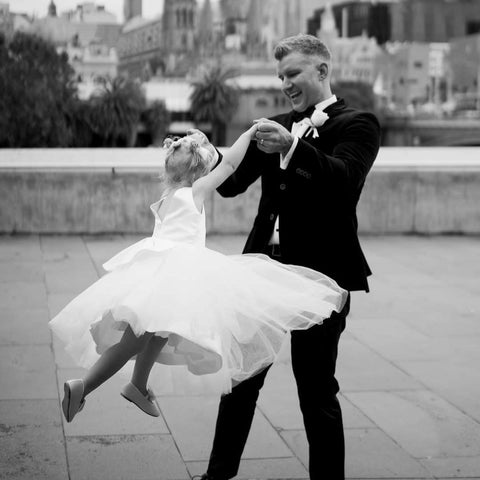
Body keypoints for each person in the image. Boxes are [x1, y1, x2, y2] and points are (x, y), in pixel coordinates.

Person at [49, 125, 347, 424]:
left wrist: (201, 143)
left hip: (158, 271)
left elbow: (222, 164)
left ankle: (137, 385)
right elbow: (229, 164)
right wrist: (249, 133)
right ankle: (83, 386)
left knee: (159, 330)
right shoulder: (197, 191)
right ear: (200, 170)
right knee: (137, 339)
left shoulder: (168, 194)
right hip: (177, 273)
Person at [198, 34, 381, 480]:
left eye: (293, 73)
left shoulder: (358, 124)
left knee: (316, 390)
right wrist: (205, 154)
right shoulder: (276, 124)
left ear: (321, 71)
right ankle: (217, 476)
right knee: (241, 382)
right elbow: (230, 183)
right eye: (281, 76)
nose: (285, 84)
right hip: (263, 272)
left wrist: (293, 148)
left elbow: (343, 181)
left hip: (320, 276)